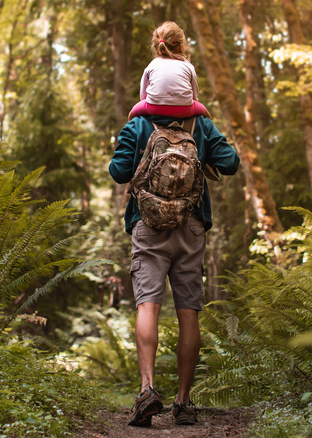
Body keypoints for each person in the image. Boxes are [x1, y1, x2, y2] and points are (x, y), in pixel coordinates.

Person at [109, 109, 240, 427]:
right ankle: (183, 402)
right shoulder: (201, 125)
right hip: (191, 226)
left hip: (149, 227)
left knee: (148, 306)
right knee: (188, 312)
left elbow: (118, 171)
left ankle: (147, 390)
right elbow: (231, 162)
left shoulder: (138, 125)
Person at [128, 21, 212, 121]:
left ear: (157, 47)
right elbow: (194, 96)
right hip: (184, 110)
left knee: (131, 115)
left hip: (154, 108)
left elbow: (143, 96)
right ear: (180, 46)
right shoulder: (187, 65)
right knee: (207, 116)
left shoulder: (152, 65)